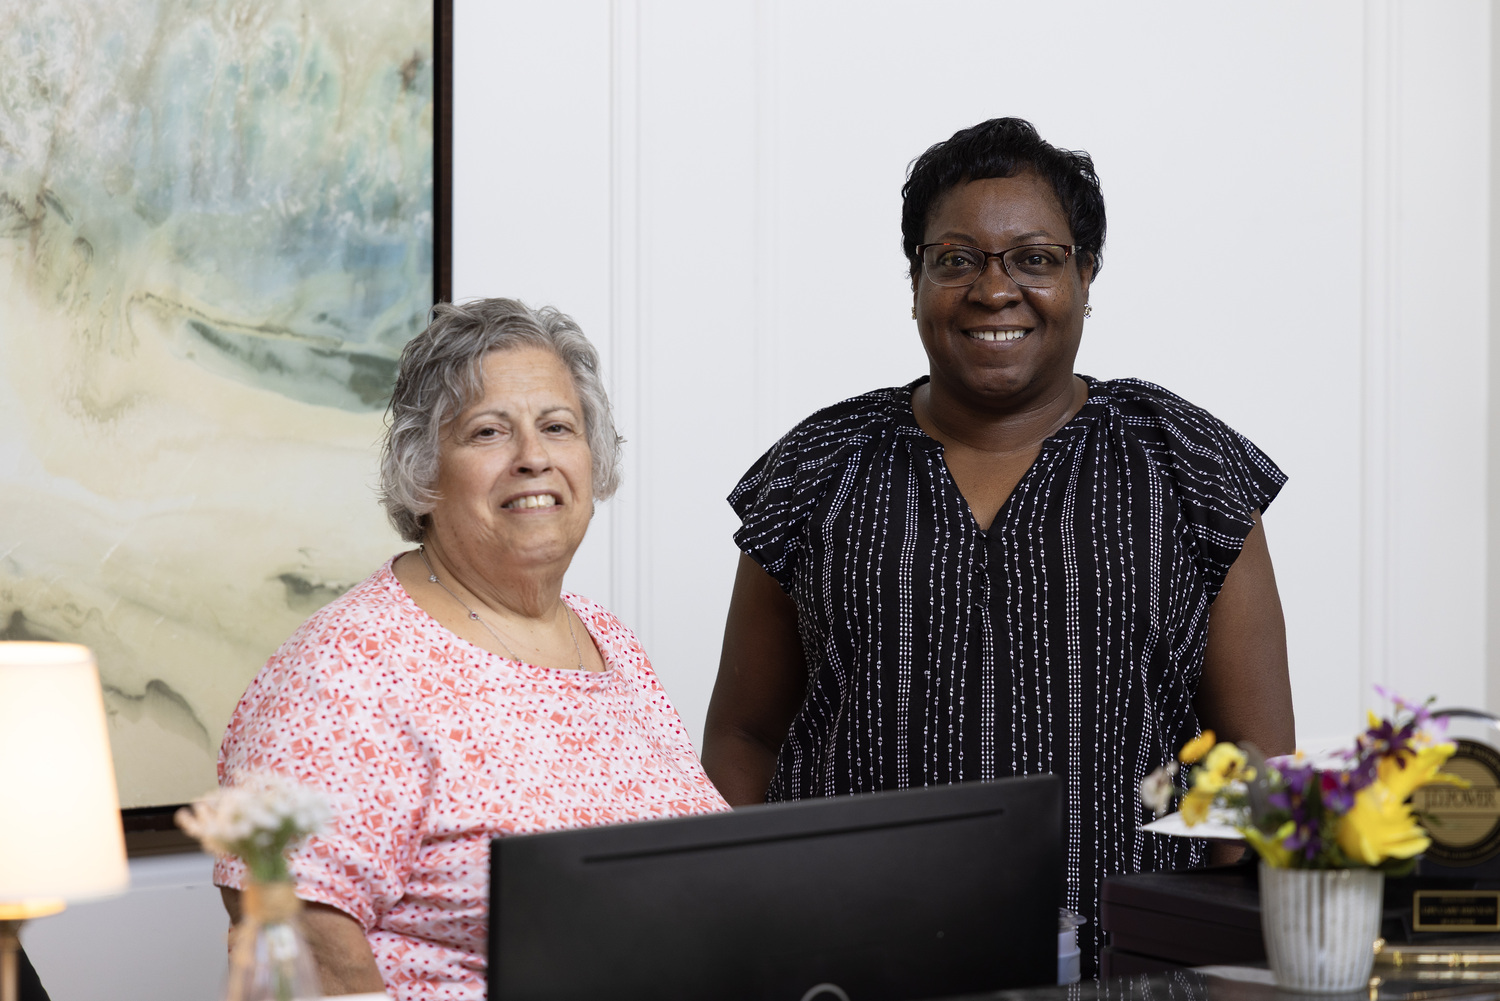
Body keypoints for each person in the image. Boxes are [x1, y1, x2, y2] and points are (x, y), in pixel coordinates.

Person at [701, 118, 1295, 975]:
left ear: (1086, 277)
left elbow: (1256, 761)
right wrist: (766, 928)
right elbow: (747, 733)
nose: (994, 288)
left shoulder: (1184, 461)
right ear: (915, 282)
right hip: (856, 965)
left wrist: (1220, 961)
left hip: (1136, 967)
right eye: (956, 258)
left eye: (1036, 258)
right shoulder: (818, 466)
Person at [214, 298, 727, 999]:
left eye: (557, 426)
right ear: (423, 471)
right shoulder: (349, 666)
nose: (533, 458)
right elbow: (296, 935)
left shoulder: (611, 643)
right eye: (489, 432)